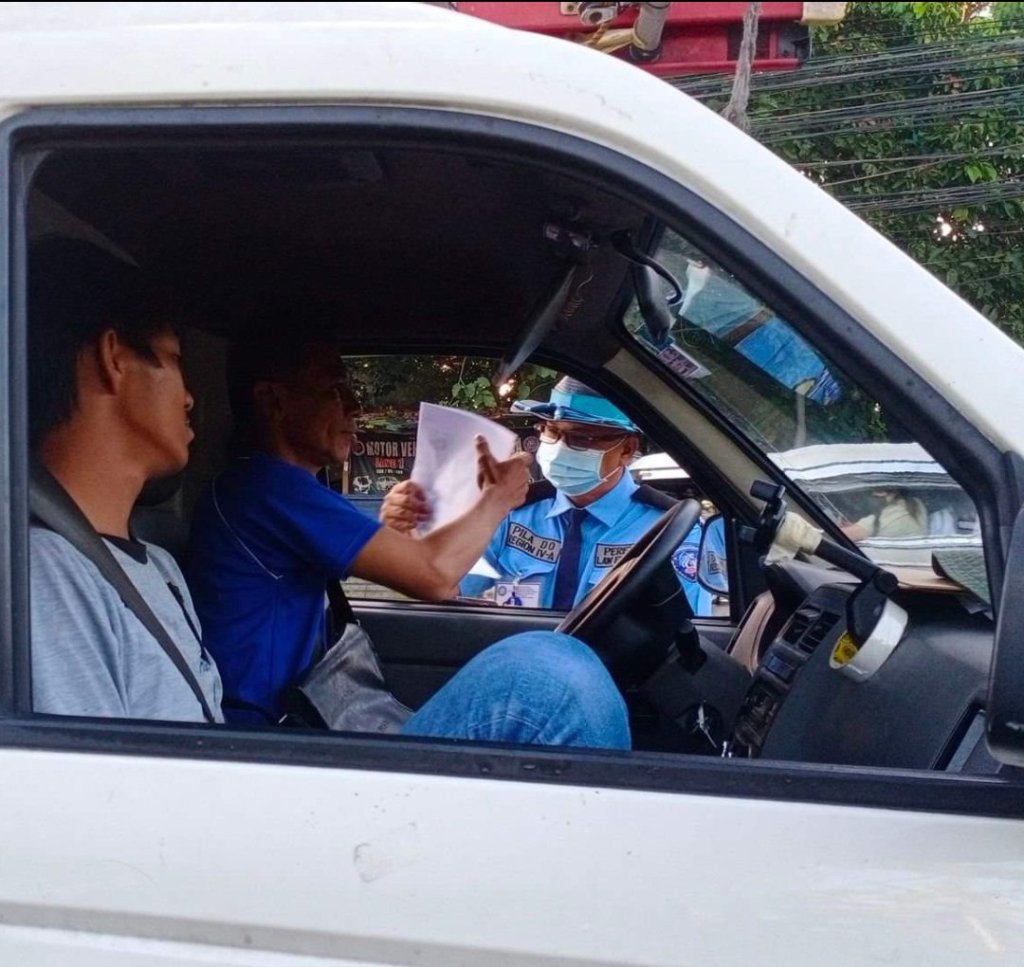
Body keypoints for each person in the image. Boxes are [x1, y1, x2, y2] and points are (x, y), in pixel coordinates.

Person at [184, 330, 629, 748]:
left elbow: (428, 574)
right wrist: (497, 499)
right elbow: (435, 577)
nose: (354, 406)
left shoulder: (278, 490)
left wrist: (403, 536)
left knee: (551, 659)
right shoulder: (269, 487)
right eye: (335, 390)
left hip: (307, 723)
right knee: (552, 679)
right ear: (274, 400)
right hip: (271, 741)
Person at [28, 238, 225, 721]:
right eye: (174, 360)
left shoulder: (159, 565)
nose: (189, 398)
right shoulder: (44, 572)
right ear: (114, 357)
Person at [385, 378, 712, 614]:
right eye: (551, 431)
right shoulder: (513, 512)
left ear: (626, 449)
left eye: (581, 439)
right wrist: (411, 536)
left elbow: (686, 634)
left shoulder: (670, 530)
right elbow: (446, 590)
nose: (559, 448)